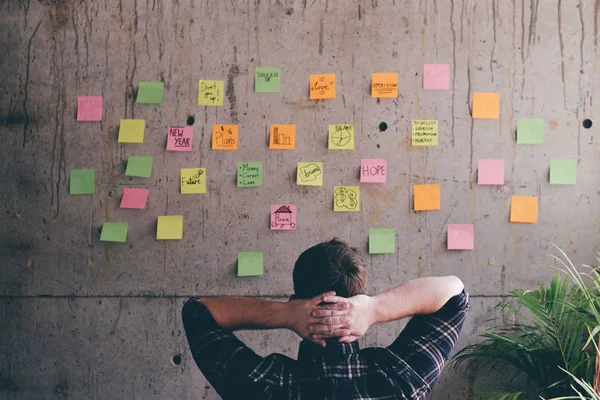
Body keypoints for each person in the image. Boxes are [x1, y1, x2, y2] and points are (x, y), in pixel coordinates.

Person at [182, 239, 469, 399]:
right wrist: (373, 309)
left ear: (297, 300)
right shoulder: (400, 379)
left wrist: (284, 313)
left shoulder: (264, 385)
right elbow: (455, 294)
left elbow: (197, 313)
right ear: (357, 298)